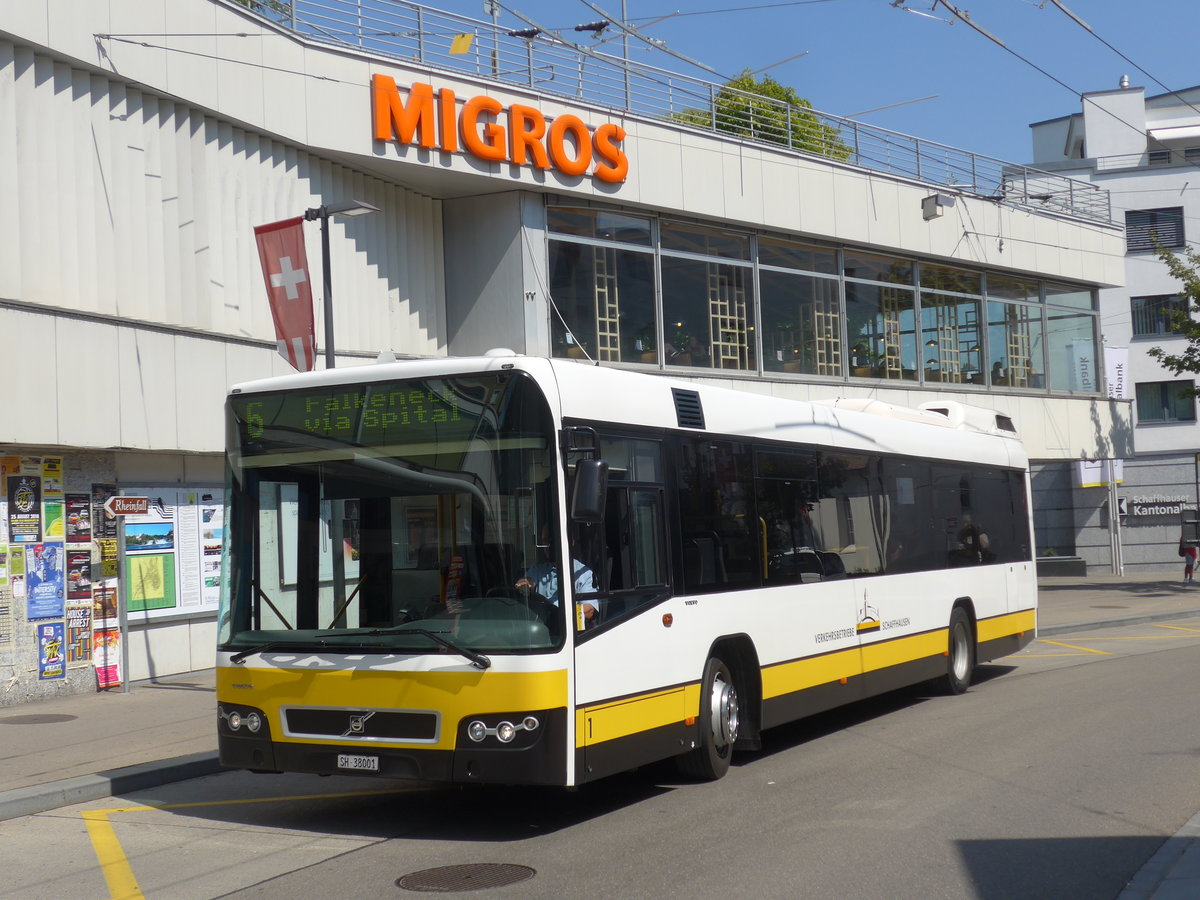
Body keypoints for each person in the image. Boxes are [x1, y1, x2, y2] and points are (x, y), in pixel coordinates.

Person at [516, 538, 599, 621]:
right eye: (545, 542)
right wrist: (523, 584)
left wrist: (560, 614)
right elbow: (527, 580)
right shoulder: (538, 568)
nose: (548, 547)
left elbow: (589, 610)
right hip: (539, 623)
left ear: (571, 542)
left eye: (553, 542)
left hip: (568, 626)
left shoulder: (584, 573)